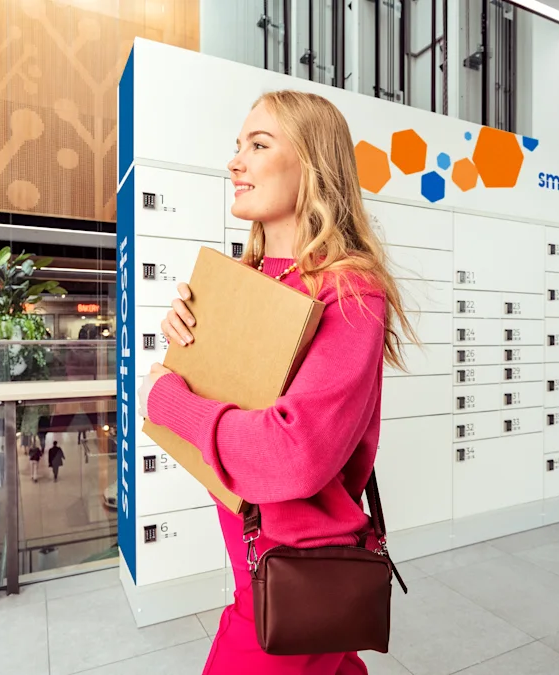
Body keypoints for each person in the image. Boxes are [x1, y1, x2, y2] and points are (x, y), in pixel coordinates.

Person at [137, 90, 417, 675]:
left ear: (312, 164)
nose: (235, 162)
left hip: (300, 565)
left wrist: (168, 398)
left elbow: (293, 453)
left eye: (258, 145)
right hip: (255, 558)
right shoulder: (246, 279)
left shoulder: (349, 291)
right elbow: (227, 402)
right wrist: (186, 347)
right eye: (237, 146)